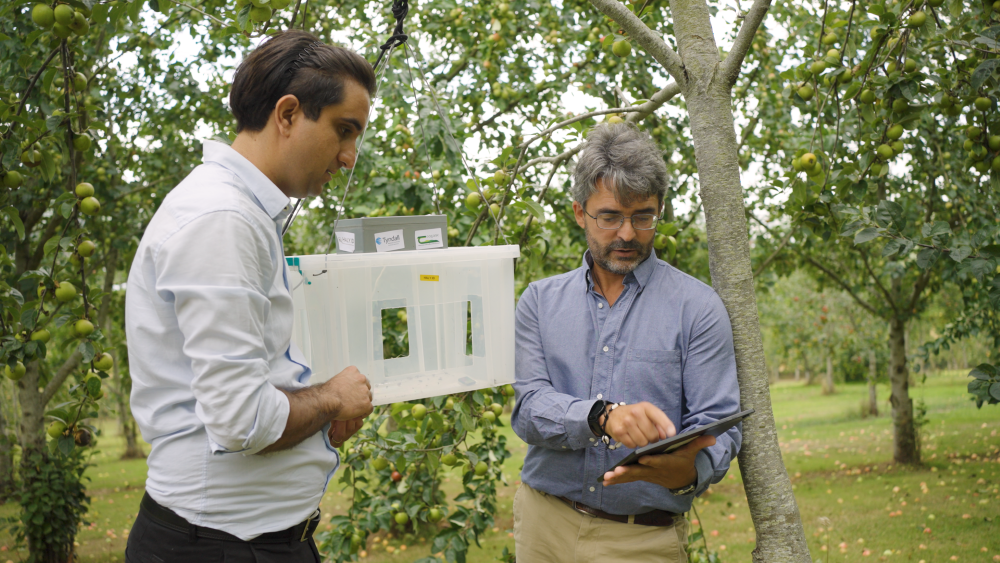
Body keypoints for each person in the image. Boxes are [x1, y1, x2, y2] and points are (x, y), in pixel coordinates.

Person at [124, 31, 377, 563]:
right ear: (287, 114)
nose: (350, 157)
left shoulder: (241, 211)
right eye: (344, 130)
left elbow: (246, 383)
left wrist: (315, 421)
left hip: (248, 540)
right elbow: (242, 419)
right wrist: (331, 397)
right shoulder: (223, 219)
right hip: (218, 547)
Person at [510, 123, 742, 563]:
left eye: (643, 216)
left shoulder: (697, 307)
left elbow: (721, 423)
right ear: (580, 213)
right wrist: (601, 417)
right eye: (611, 216)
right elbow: (529, 410)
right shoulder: (539, 302)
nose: (628, 234)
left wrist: (688, 472)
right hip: (545, 525)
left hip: (643, 540)